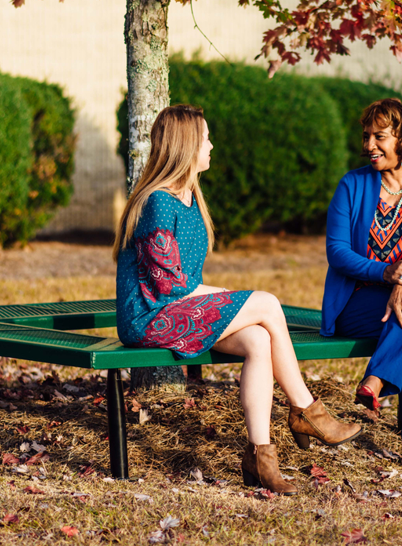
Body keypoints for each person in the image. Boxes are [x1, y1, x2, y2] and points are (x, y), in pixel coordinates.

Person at [113, 104, 362, 494]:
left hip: (177, 308)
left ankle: (259, 457)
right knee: (267, 303)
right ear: (186, 145)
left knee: (259, 339)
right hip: (149, 316)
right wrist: (238, 300)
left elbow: (186, 284)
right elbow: (168, 286)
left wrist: (232, 300)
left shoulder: (190, 198)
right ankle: (305, 409)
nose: (212, 145)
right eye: (206, 138)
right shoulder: (158, 202)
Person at [321, 98, 402, 476]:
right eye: (366, 136)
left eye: (379, 136)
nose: (369, 145)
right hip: (357, 304)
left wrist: (401, 284)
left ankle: (377, 377)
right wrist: (387, 274)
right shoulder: (352, 185)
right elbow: (337, 253)